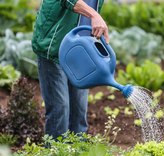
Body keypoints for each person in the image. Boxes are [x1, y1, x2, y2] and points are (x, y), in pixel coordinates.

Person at [32, 0, 109, 139]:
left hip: (81, 50)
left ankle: (77, 149)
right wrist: (94, 15)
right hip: (54, 46)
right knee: (59, 108)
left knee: (79, 109)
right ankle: (56, 150)